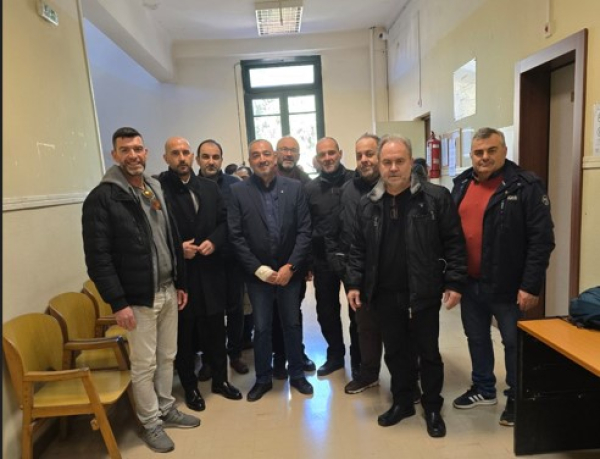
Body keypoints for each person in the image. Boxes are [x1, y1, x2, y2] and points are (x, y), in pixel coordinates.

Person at [82, 127, 200, 454]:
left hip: (167, 289)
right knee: (144, 364)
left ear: (146, 153)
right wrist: (118, 303)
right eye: (125, 150)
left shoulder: (153, 188)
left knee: (167, 356)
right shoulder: (102, 198)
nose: (133, 155)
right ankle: (150, 423)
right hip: (137, 298)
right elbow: (98, 258)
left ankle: (166, 407)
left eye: (138, 149)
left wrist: (180, 282)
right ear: (114, 155)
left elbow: (171, 239)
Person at [346, 134, 467, 438]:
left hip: (423, 290)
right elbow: (358, 249)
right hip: (384, 293)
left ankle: (433, 406)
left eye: (399, 161)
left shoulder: (436, 198)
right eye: (387, 162)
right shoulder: (368, 203)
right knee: (396, 352)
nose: (393, 167)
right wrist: (354, 283)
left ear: (411, 162)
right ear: (379, 164)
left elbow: (454, 243)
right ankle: (402, 402)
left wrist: (454, 281)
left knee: (428, 352)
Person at [451, 127, 555, 426]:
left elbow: (541, 240)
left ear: (504, 151)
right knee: (476, 338)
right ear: (471, 155)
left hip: (509, 285)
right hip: (470, 282)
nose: (484, 157)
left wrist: (530, 285)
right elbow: (452, 236)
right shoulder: (461, 184)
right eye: (478, 152)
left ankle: (517, 397)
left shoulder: (525, 186)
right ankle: (484, 388)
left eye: (491, 150)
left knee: (513, 342)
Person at [158, 136, 243, 412]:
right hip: (181, 276)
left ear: (191, 158)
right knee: (185, 336)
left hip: (211, 270)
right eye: (175, 153)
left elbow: (224, 221)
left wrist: (214, 242)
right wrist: (177, 249)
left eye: (185, 152)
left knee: (216, 330)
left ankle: (220, 380)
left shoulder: (209, 188)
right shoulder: (158, 189)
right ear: (166, 158)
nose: (181, 158)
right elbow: (154, 232)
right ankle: (190, 387)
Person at [228, 139, 313, 401]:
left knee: (292, 324)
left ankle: (296, 374)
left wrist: (291, 266)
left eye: (266, 154)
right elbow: (236, 236)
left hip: (289, 273)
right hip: (258, 277)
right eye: (256, 155)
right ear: (250, 160)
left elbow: (304, 231)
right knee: (262, 327)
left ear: (274, 157)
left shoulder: (295, 188)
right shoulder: (238, 191)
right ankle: (263, 379)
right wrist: (259, 269)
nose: (262, 159)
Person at [326, 133, 384, 394]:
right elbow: (336, 230)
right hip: (359, 271)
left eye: (369, 154)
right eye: (359, 155)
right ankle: (367, 374)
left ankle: (408, 380)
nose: (364, 160)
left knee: (401, 330)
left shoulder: (395, 185)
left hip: (393, 272)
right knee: (364, 327)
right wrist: (344, 267)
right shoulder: (348, 190)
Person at [196, 139, 249, 376]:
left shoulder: (234, 185)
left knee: (236, 309)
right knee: (209, 313)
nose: (211, 161)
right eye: (206, 157)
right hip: (204, 261)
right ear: (197, 159)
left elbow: (239, 220)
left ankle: (235, 354)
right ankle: (209, 359)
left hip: (232, 259)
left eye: (215, 157)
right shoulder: (191, 185)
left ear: (221, 159)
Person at [304, 137, 357, 377]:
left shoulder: (356, 181)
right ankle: (335, 355)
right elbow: (305, 226)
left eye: (331, 153)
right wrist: (309, 261)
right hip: (323, 259)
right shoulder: (310, 189)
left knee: (358, 311)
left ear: (340, 153)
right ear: (317, 158)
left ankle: (359, 359)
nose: (327, 158)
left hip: (354, 257)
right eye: (322, 154)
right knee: (326, 311)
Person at [271, 135, 316, 379]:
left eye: (293, 150)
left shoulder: (306, 182)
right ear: (276, 153)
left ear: (299, 155)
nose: (288, 154)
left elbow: (308, 226)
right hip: (267, 262)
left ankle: (297, 352)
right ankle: (279, 356)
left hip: (295, 261)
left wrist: (304, 263)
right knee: (272, 313)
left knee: (293, 312)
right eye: (284, 149)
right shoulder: (265, 178)